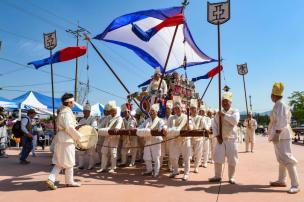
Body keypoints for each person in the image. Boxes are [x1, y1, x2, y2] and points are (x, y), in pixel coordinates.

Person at [268, 82, 300, 194]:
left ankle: (295, 184)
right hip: (281, 135)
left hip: (282, 136)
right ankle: (282, 180)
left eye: (271, 94)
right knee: (281, 159)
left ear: (274, 95)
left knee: (287, 159)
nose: (270, 96)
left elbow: (281, 121)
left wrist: (277, 134)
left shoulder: (280, 104)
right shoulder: (279, 104)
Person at [46, 93, 82, 190]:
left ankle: (51, 179)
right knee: (69, 161)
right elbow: (69, 127)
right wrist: (78, 136)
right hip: (67, 139)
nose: (73, 103)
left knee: (59, 162)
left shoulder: (62, 111)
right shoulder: (66, 112)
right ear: (69, 102)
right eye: (73, 102)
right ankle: (69, 182)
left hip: (61, 139)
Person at [209, 92, 240, 184]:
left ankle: (231, 177)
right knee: (218, 157)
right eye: (223, 101)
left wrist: (224, 115)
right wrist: (217, 135)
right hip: (221, 139)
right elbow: (214, 125)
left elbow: (234, 121)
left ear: (230, 102)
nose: (225, 103)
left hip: (231, 139)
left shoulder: (235, 111)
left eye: (226, 101)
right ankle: (217, 176)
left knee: (232, 159)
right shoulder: (218, 113)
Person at [166, 97, 191, 181]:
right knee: (173, 157)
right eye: (175, 108)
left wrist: (188, 126)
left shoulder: (186, 117)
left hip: (184, 140)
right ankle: (175, 170)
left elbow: (191, 127)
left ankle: (186, 173)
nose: (176, 109)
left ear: (181, 108)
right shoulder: (171, 118)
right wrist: (164, 128)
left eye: (178, 108)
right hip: (174, 140)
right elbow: (167, 126)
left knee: (186, 157)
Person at [138, 104, 164, 177]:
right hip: (148, 140)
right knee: (146, 157)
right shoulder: (147, 120)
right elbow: (141, 126)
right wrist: (137, 130)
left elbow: (162, 126)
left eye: (153, 111)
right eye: (150, 111)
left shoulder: (160, 120)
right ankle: (149, 170)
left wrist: (162, 128)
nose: (151, 112)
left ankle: (156, 172)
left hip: (156, 141)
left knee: (156, 157)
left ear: (156, 112)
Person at [97, 101, 123, 173]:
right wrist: (96, 128)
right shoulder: (107, 117)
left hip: (114, 138)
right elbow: (101, 125)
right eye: (110, 111)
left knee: (113, 152)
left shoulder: (119, 118)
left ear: (115, 110)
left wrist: (117, 128)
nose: (110, 112)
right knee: (104, 152)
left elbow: (119, 125)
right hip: (107, 137)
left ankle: (113, 167)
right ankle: (103, 167)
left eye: (111, 110)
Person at [77, 103, 98, 170]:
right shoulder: (81, 120)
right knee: (81, 152)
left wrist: (84, 126)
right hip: (83, 138)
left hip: (91, 138)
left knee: (91, 153)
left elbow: (94, 128)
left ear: (89, 112)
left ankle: (91, 165)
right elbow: (78, 127)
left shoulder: (93, 119)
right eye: (84, 111)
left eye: (86, 111)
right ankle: (81, 165)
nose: (85, 113)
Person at [189, 100, 205, 173]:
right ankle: (187, 167)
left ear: (197, 109)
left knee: (198, 154)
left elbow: (205, 126)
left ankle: (196, 167)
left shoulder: (201, 118)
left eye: (194, 108)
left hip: (199, 138)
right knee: (188, 153)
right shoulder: (188, 118)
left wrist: (206, 128)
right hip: (189, 138)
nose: (193, 110)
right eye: (191, 108)